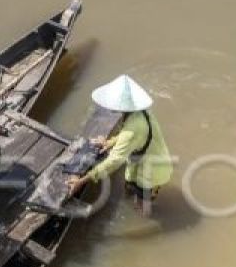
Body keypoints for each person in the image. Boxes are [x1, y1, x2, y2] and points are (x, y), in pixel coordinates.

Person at [66, 75, 173, 217]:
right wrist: (110, 142)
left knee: (142, 207)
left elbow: (115, 161)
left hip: (151, 173)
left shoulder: (133, 128)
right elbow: (131, 135)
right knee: (129, 189)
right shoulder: (141, 112)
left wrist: (83, 180)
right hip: (144, 163)